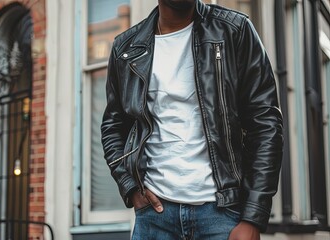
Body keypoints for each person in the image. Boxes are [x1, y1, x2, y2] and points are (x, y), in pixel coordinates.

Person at [101, 0, 283, 239]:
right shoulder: (126, 48)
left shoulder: (234, 30)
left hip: (222, 214)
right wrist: (130, 186)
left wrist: (253, 216)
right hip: (155, 218)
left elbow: (266, 125)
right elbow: (113, 127)